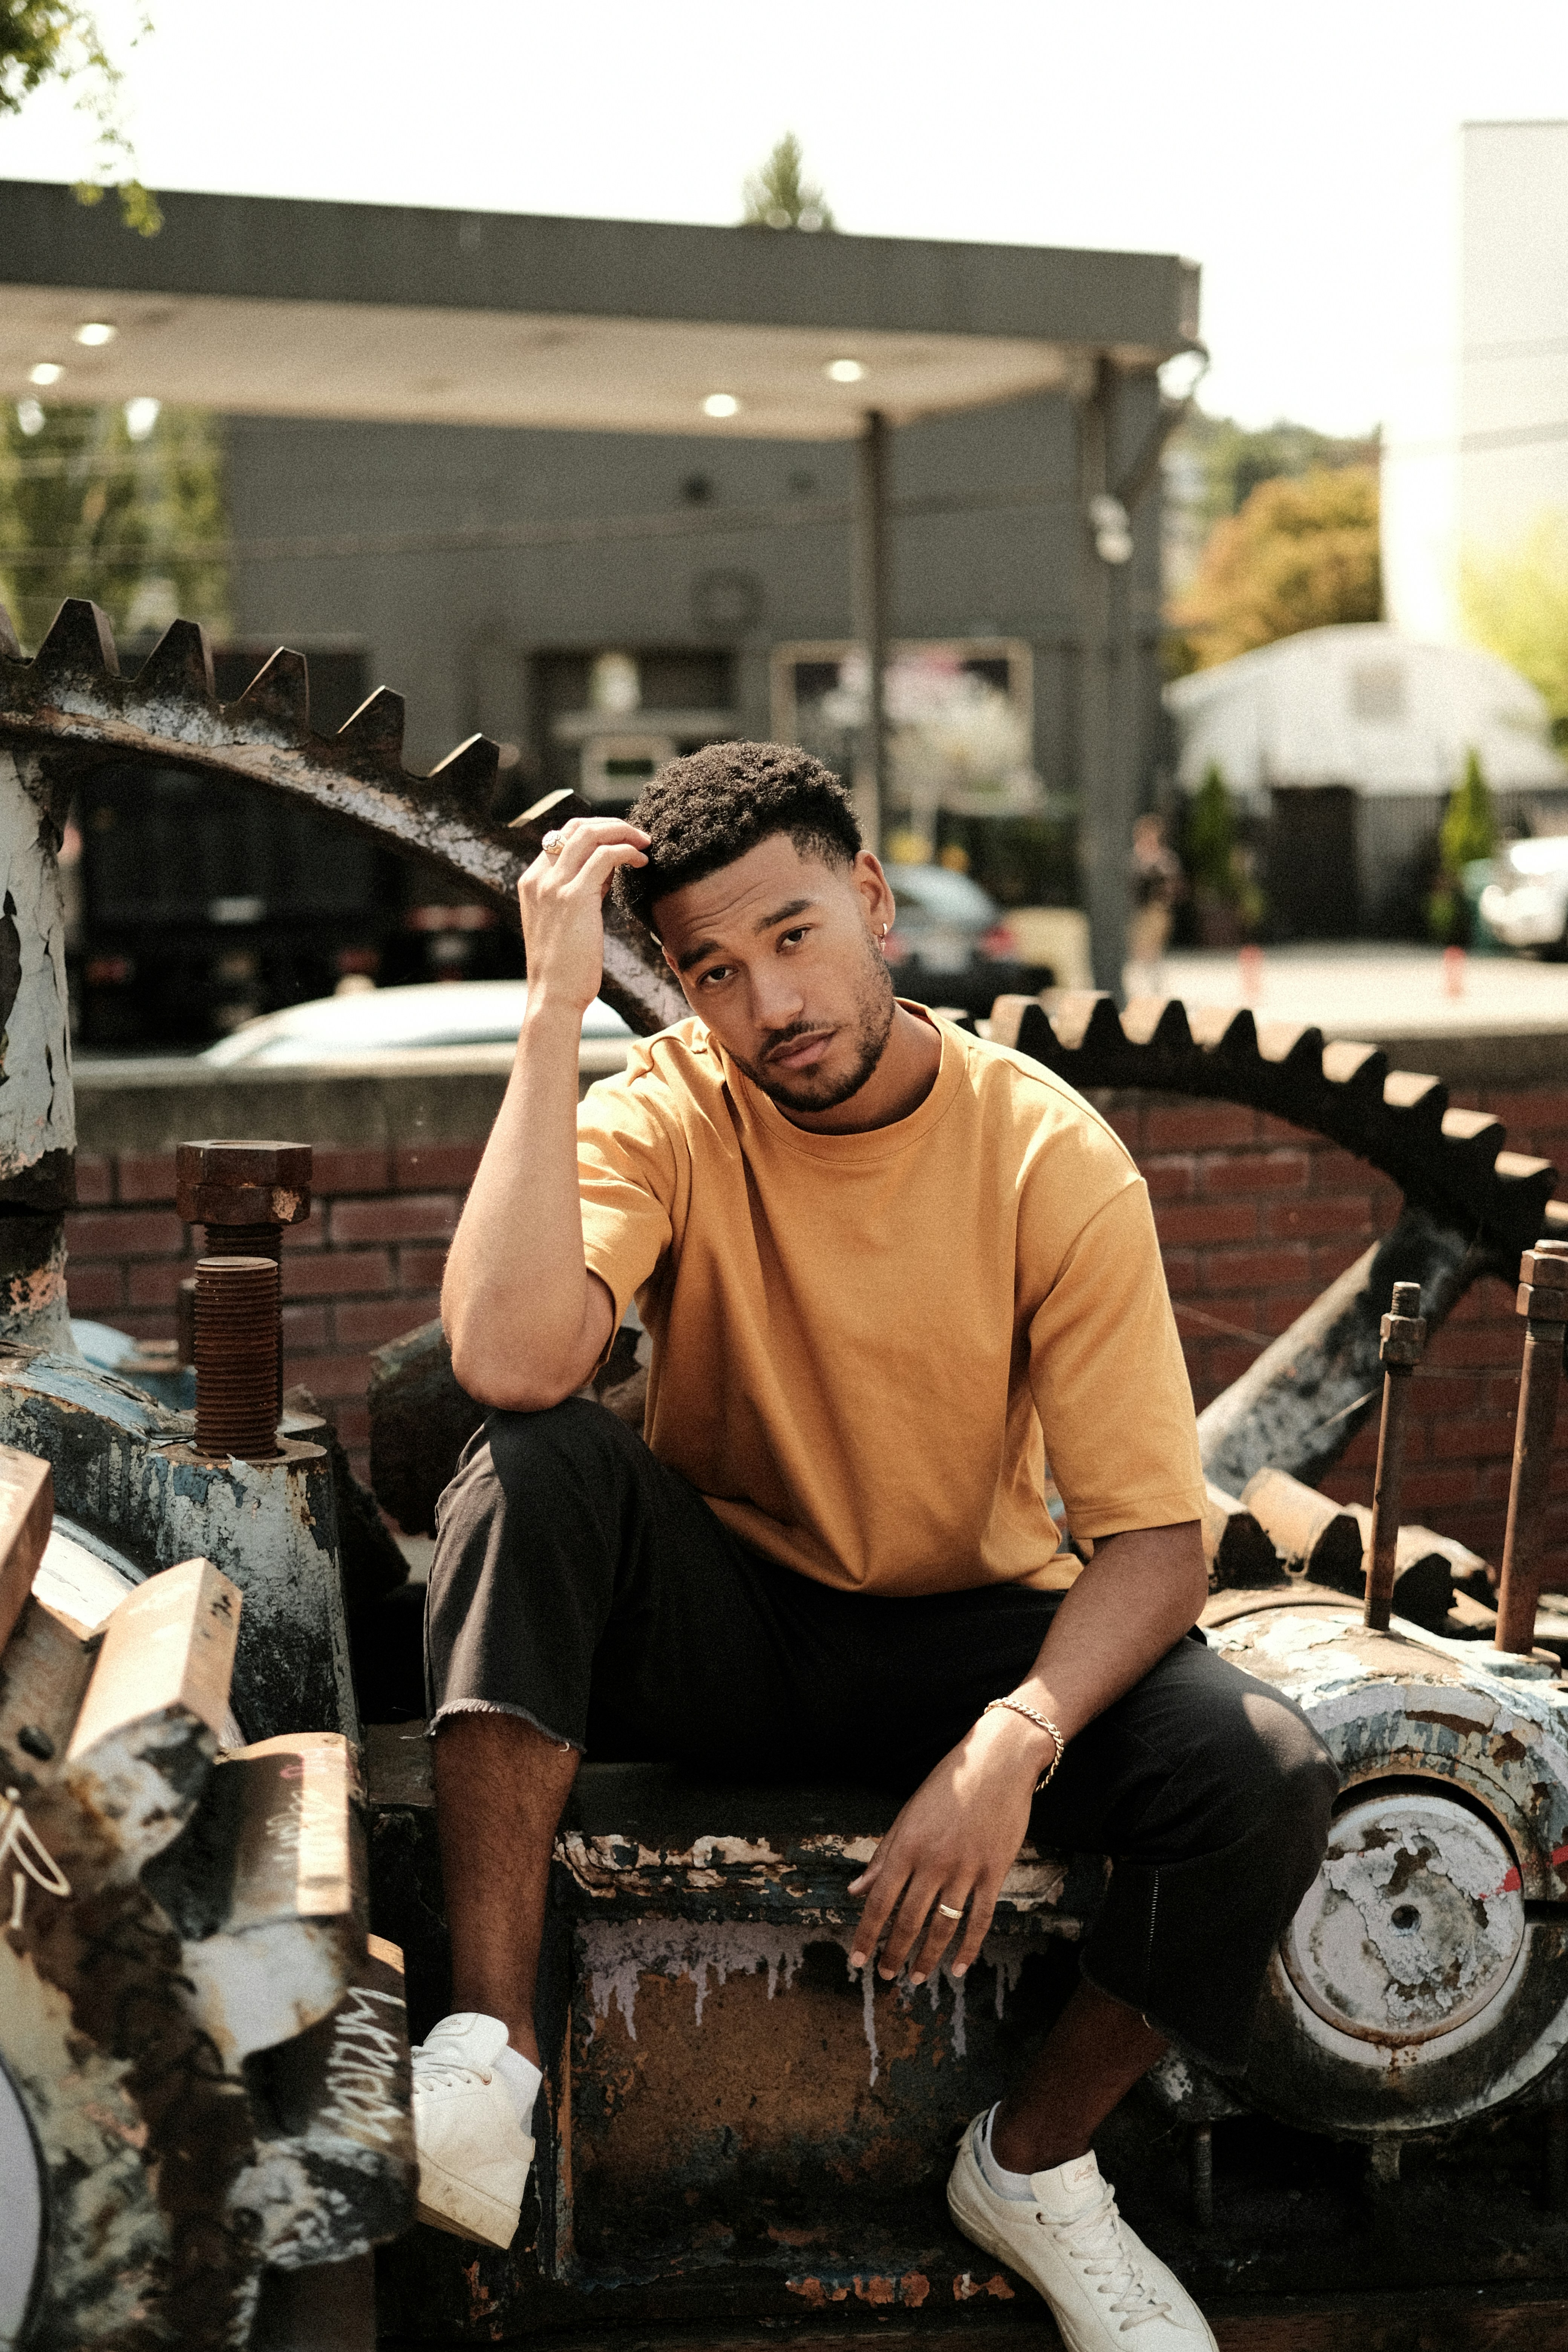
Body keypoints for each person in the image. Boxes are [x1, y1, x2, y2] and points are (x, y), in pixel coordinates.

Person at [410, 743, 1336, 2352]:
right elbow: (505, 1358)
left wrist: (1014, 1742)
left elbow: (1151, 1545)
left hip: (969, 1632)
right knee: (534, 1461)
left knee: (1260, 1768)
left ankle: (1036, 2168)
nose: (768, 1002)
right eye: (711, 970)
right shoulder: (674, 1111)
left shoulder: (1044, 1153)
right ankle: (484, 2056)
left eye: (791, 936)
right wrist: (550, 1014)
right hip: (734, 1624)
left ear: (871, 902)